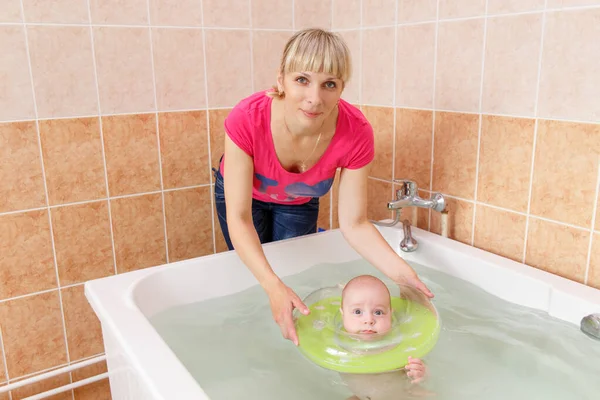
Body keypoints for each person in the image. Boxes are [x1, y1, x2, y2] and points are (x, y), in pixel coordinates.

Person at [213, 28, 433, 347]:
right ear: (281, 80)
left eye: (330, 84)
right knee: (262, 276)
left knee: (294, 273)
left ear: (342, 87)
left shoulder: (356, 133)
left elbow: (355, 224)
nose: (315, 98)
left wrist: (404, 276)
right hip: (245, 201)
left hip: (300, 202)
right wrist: (272, 286)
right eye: (302, 79)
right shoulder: (247, 118)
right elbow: (239, 217)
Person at [340, 275, 429, 400]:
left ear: (390, 315)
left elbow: (415, 364)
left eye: (378, 312)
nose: (369, 320)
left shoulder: (395, 345)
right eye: (358, 312)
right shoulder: (338, 344)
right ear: (342, 314)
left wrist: (420, 372)